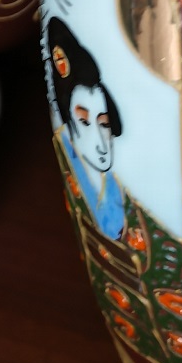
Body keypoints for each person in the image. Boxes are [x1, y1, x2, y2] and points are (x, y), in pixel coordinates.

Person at [46, 15, 126, 239]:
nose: (101, 145)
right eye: (83, 122)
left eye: (104, 124)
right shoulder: (66, 152)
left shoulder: (115, 187)